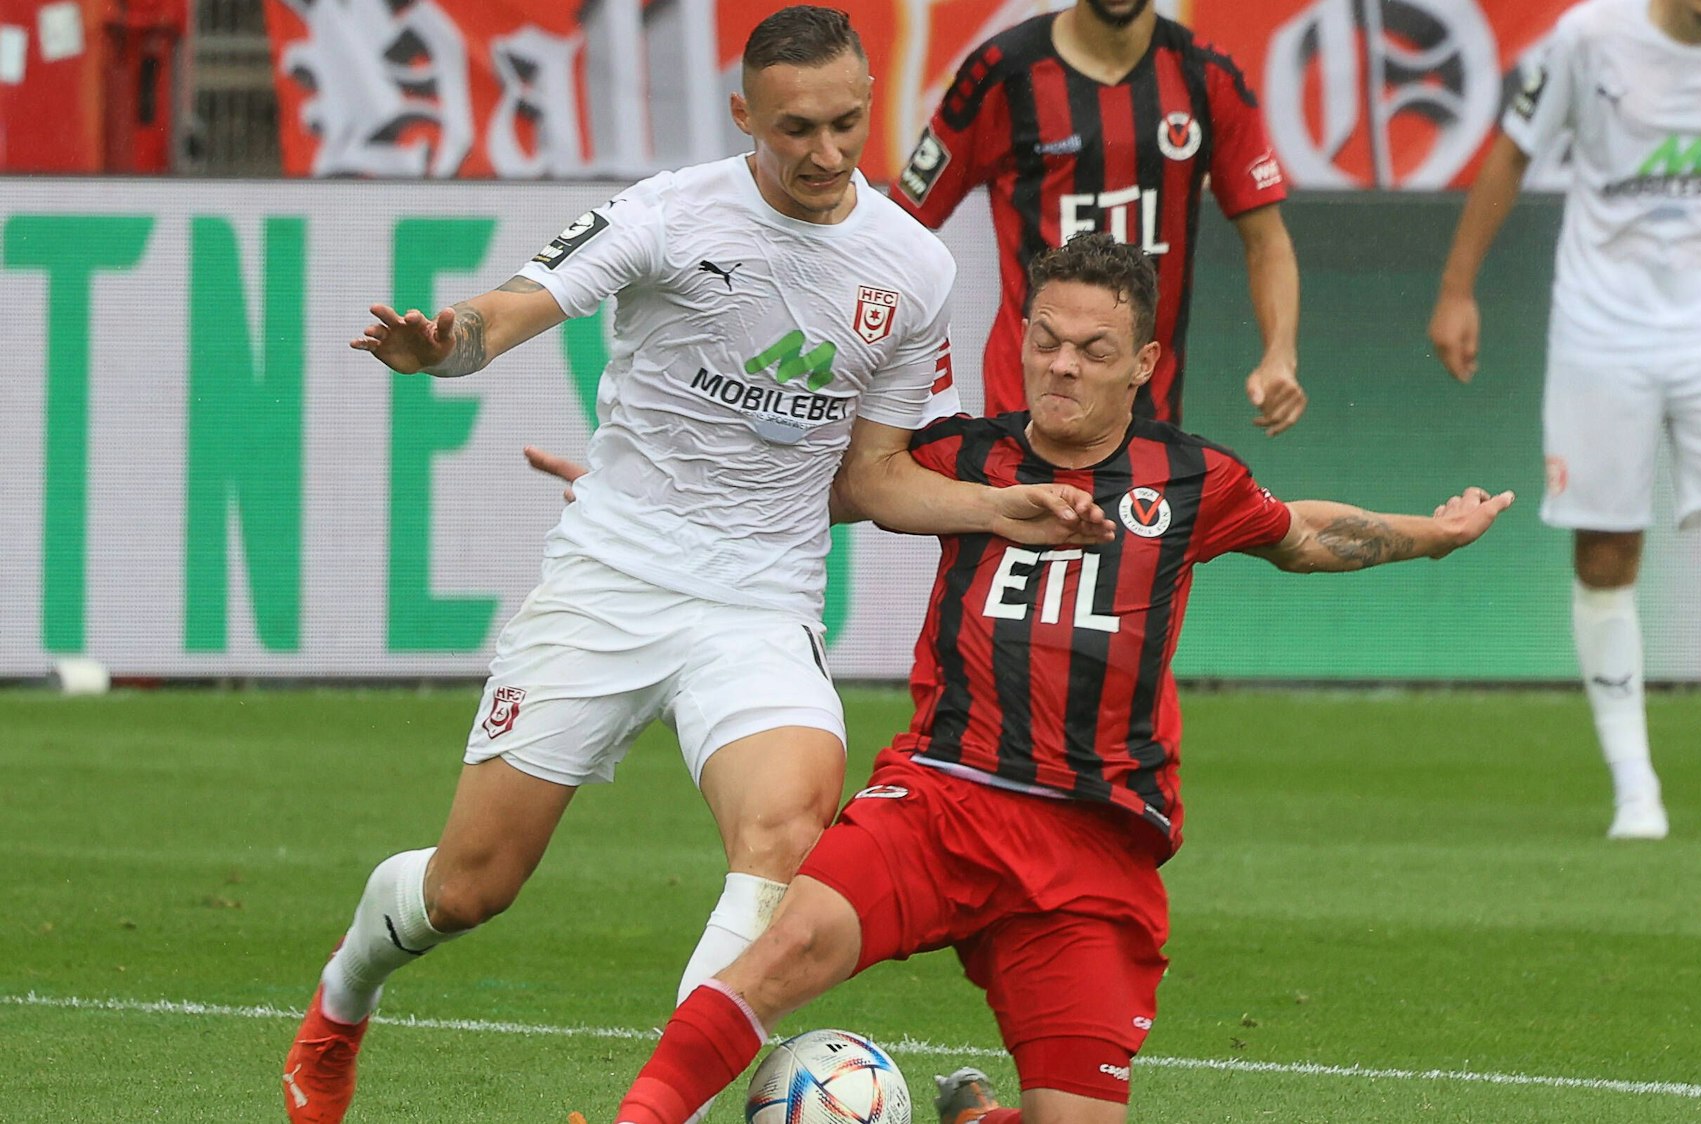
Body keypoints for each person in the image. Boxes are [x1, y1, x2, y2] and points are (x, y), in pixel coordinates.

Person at [279, 9, 1116, 1123]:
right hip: (610, 575)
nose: (825, 153)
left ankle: (653, 1109)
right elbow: (510, 308)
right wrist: (446, 348)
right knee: (469, 885)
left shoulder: (911, 267)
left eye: (848, 123)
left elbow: (872, 475)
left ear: (872, 97)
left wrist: (992, 507)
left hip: (761, 597)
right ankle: (340, 1005)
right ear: (743, 118)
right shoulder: (670, 213)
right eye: (796, 129)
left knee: (784, 827)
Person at [584, 234, 1510, 1124]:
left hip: (1092, 841)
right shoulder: (960, 458)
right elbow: (794, 491)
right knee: (783, 948)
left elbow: (1304, 537)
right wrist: (643, 500)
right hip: (943, 797)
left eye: (1092, 349)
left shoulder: (1188, 480)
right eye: (1045, 340)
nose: (1062, 365)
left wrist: (1436, 537)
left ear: (1142, 361)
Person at [1428, 0, 1701, 841]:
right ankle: (1633, 785)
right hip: (1599, 330)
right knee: (1607, 549)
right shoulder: (1589, 37)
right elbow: (1511, 153)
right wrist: (1456, 287)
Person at [890, 0, 1307, 435]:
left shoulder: (1208, 76)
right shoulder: (1003, 71)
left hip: (1149, 419)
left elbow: (1267, 241)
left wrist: (1280, 354)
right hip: (1021, 413)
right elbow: (902, 224)